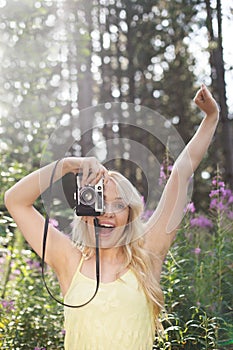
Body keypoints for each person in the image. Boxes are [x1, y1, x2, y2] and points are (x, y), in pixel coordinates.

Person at [4, 84, 219, 349]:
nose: (107, 213)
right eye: (100, 203)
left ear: (130, 214)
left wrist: (211, 118)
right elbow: (15, 201)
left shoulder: (147, 256)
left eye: (118, 205)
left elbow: (181, 172)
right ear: (85, 213)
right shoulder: (68, 259)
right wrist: (70, 164)